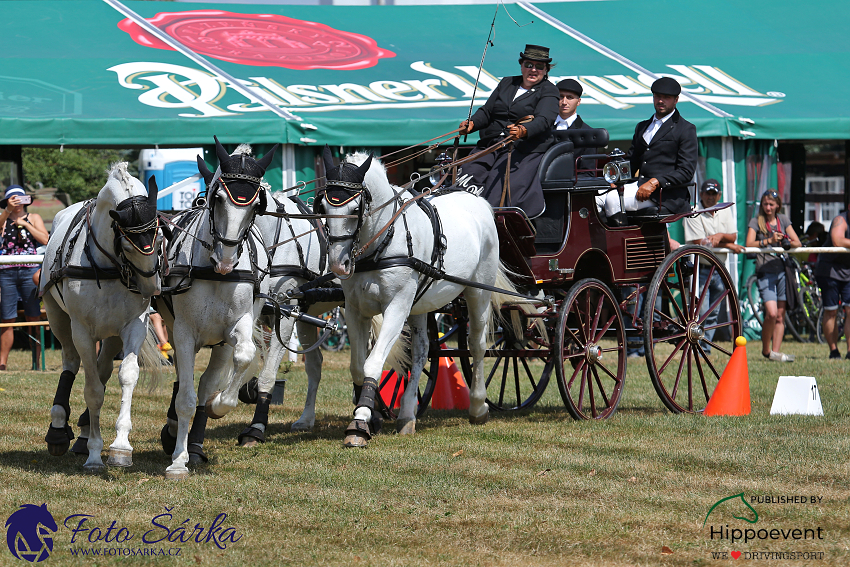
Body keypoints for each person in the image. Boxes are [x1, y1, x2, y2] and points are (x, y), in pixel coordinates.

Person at [457, 44, 559, 219]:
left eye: (539, 66)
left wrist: (523, 130)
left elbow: (544, 120)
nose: (533, 70)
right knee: (469, 172)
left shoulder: (549, 90)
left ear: (546, 69)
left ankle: (496, 223)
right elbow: (488, 112)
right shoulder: (507, 83)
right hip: (493, 143)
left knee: (499, 183)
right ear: (521, 65)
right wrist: (472, 123)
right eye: (528, 64)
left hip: (523, 148)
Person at [603, 77, 697, 226]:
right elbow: (632, 162)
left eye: (666, 97)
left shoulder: (685, 129)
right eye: (658, 96)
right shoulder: (642, 126)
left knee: (613, 200)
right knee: (595, 199)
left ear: (676, 100)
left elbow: (686, 172)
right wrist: (616, 180)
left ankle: (618, 246)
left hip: (665, 194)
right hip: (639, 185)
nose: (661, 101)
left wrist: (655, 182)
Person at [683, 179, 744, 354]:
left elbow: (732, 236)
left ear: (719, 195)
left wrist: (720, 237)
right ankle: (698, 347)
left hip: (719, 269)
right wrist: (727, 244)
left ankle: (705, 348)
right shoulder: (693, 212)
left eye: (713, 193)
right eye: (707, 193)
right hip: (700, 268)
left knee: (714, 313)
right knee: (700, 312)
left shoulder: (724, 210)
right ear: (701, 194)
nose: (710, 197)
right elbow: (700, 243)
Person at [745, 190, 801, 362]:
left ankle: (775, 353)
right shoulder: (756, 221)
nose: (768, 207)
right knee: (771, 313)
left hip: (783, 270)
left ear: (778, 206)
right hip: (765, 271)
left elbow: (797, 242)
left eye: (771, 204)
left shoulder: (783, 220)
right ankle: (766, 350)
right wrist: (769, 241)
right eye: (765, 204)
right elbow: (748, 244)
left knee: (780, 315)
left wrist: (785, 241)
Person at [0, 185, 49, 370]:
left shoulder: (34, 217)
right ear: (6, 201)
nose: (17, 202)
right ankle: (2, 363)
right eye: (13, 199)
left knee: (33, 318)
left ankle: (37, 363)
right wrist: (8, 210)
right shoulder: (3, 218)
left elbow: (45, 240)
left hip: (30, 271)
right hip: (6, 272)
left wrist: (26, 224)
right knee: (7, 319)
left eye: (20, 198)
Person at [814, 210, 850, 359]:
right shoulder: (841, 219)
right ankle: (834, 351)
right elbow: (837, 240)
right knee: (831, 311)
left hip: (848, 270)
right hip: (829, 270)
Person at [553, 79, 595, 176]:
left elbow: (588, 173)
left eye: (570, 97)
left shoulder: (588, 133)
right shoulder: (543, 127)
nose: (564, 102)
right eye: (560, 97)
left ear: (578, 101)